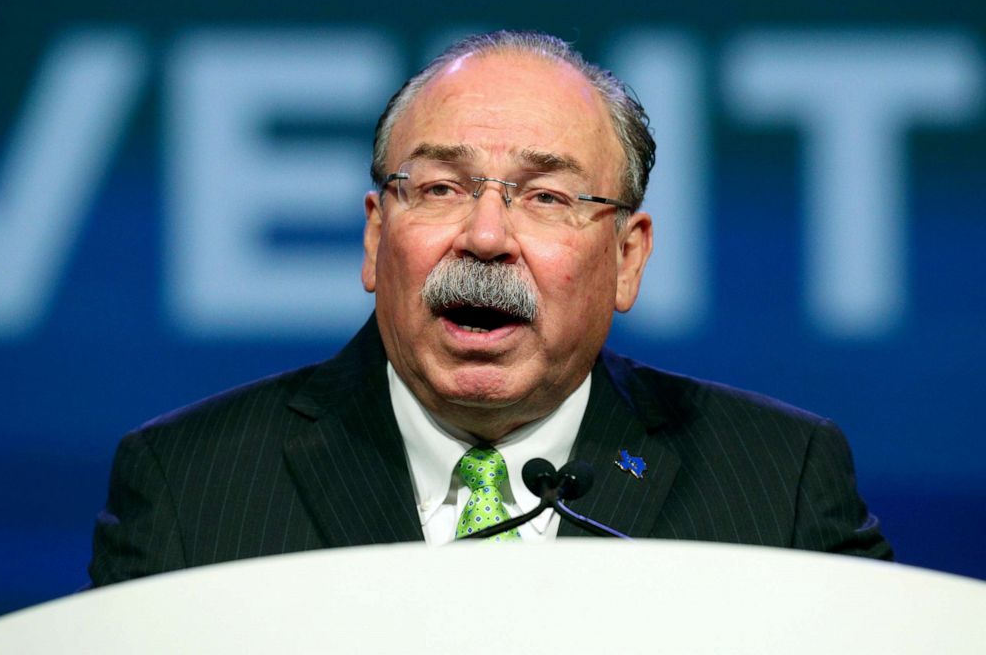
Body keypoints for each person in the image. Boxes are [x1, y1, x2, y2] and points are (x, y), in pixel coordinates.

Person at [89, 30, 891, 585]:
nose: (484, 236)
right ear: (376, 238)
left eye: (545, 197)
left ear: (626, 257)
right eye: (439, 188)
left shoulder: (779, 483)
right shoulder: (189, 485)